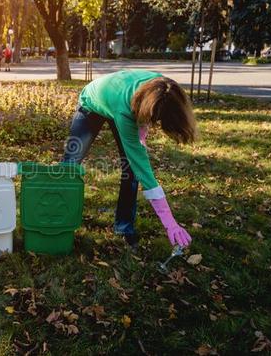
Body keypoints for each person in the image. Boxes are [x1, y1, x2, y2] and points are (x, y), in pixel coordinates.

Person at [62, 70, 196, 251]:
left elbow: (146, 118)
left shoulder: (164, 88)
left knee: (130, 170)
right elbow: (143, 168)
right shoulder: (124, 111)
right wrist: (168, 221)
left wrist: (142, 132)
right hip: (92, 103)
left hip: (122, 100)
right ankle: (59, 215)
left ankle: (123, 227)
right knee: (70, 163)